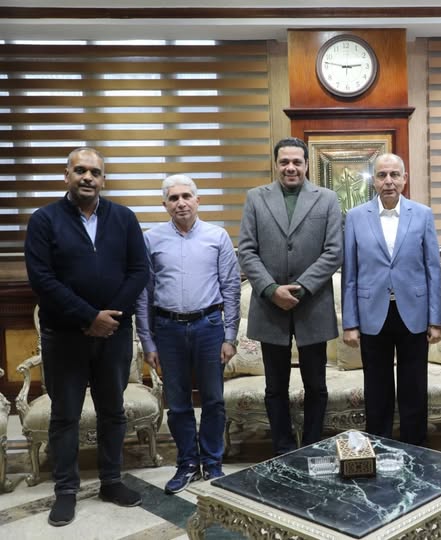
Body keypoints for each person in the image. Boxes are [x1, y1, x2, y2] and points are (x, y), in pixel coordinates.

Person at [24, 147, 149, 526]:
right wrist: (88, 317)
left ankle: (111, 481)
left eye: (95, 172)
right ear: (67, 176)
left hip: (114, 334)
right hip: (65, 336)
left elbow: (139, 271)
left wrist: (110, 318)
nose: (88, 178)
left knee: (113, 410)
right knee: (65, 415)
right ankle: (66, 490)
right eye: (80, 170)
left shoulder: (124, 218)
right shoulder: (44, 220)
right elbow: (42, 279)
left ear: (104, 179)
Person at [135, 174, 240, 494]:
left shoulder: (217, 236)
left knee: (213, 400)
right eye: (173, 198)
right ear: (165, 204)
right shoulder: (151, 239)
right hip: (167, 330)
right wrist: (147, 341)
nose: (180, 203)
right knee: (178, 402)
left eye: (186, 196)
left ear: (197, 200)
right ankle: (187, 463)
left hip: (209, 327)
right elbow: (143, 294)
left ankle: (213, 462)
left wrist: (230, 336)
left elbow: (231, 287)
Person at [238, 137, 342, 456]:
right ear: (276, 164)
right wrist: (272, 290)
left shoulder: (327, 199)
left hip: (313, 304)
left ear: (307, 164)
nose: (291, 167)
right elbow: (247, 251)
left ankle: (311, 448)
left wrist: (301, 287)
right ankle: (283, 450)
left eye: (297, 162)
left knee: (316, 385)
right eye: (284, 162)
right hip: (270, 307)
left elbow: (334, 251)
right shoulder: (256, 198)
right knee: (274, 387)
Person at [342, 153, 441, 446]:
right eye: (382, 175)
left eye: (394, 175)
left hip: (413, 311)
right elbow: (350, 272)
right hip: (372, 313)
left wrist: (436, 320)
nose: (388, 181)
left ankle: (416, 451)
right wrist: (350, 323)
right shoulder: (356, 216)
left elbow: (432, 269)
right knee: (377, 390)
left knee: (414, 388)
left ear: (404, 179)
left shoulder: (422, 214)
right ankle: (380, 447)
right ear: (373, 181)